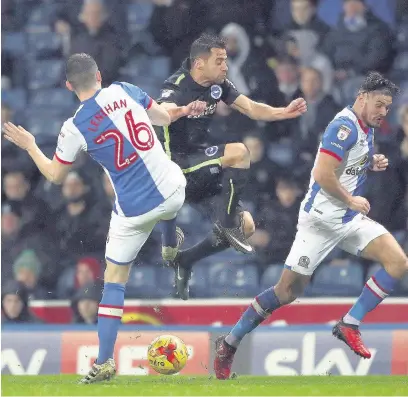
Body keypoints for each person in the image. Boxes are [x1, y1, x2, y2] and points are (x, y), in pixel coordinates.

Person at [3, 52, 206, 384]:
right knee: (167, 189)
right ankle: (170, 246)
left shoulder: (74, 127)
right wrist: (183, 110)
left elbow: (55, 175)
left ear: (69, 86)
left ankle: (105, 361)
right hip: (174, 192)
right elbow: (163, 119)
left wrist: (29, 145)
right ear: (99, 74)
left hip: (134, 212)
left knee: (114, 280)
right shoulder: (124, 89)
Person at [213, 72, 408, 380]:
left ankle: (350, 323)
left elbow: (349, 161)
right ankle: (229, 343)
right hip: (318, 222)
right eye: (380, 104)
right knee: (286, 292)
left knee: (397, 262)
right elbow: (321, 174)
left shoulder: (365, 127)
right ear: (362, 97)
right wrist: (350, 198)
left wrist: (371, 163)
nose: (384, 112)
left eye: (387, 107)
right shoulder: (342, 127)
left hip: (346, 219)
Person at [156, 33, 307, 300]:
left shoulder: (219, 85)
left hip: (199, 167)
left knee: (247, 226)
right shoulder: (177, 85)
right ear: (200, 64)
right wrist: (182, 110)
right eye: (220, 61)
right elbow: (161, 113)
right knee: (239, 152)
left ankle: (186, 260)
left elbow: (251, 108)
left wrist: (284, 112)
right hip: (175, 168)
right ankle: (226, 223)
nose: (226, 66)